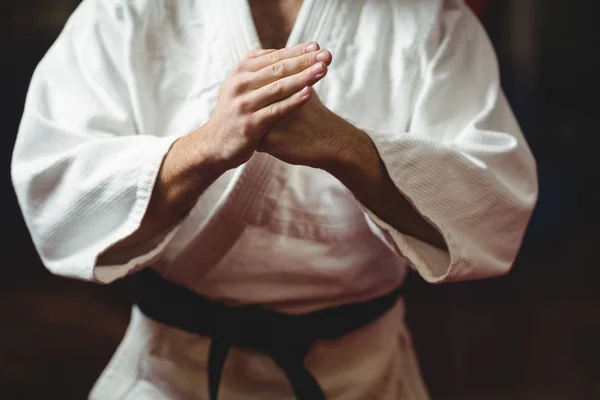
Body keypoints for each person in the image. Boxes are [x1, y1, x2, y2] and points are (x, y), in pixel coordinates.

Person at [11, 0, 538, 399]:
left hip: (364, 376)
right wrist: (205, 147)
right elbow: (55, 193)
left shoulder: (431, 20)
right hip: (174, 372)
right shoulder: (126, 12)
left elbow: (494, 205)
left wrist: (349, 149)